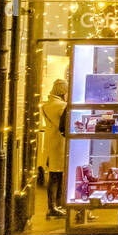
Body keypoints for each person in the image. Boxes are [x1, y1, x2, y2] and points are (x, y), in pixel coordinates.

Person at [39, 79, 68, 220]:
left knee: (53, 174)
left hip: (50, 141)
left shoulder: (46, 105)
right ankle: (55, 206)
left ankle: (53, 205)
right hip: (60, 142)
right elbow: (65, 125)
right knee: (58, 175)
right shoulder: (62, 106)